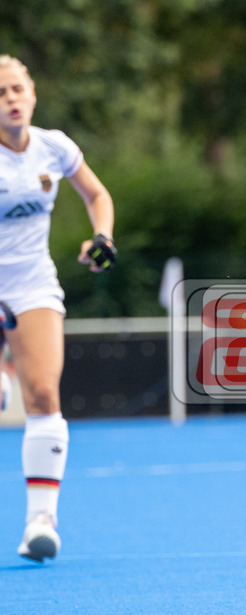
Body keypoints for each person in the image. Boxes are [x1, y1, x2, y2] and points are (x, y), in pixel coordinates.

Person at [0, 55, 117, 563]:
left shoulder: (54, 146)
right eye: (1, 92)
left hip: (32, 283)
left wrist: (102, 236)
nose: (11, 99)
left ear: (32, 94)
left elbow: (96, 194)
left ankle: (40, 523)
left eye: (17, 89)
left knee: (44, 392)